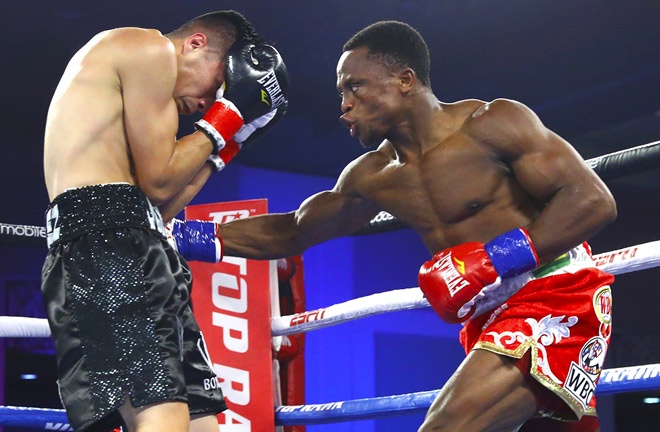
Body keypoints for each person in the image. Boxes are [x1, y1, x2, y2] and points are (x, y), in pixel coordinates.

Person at [173, 20, 616, 431]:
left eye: (355, 86)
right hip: (487, 315)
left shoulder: (492, 124)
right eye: (341, 92)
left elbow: (593, 201)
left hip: (554, 290)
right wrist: (180, 237)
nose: (344, 105)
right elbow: (293, 230)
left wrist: (494, 258)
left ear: (405, 81)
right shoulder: (373, 176)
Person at [41, 9, 289, 432]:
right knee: (162, 417)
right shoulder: (146, 46)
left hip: (138, 242)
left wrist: (231, 142)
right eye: (217, 86)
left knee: (201, 424)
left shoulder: (151, 103)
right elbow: (158, 182)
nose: (208, 102)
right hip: (107, 246)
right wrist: (227, 116)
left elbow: (161, 206)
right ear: (196, 43)